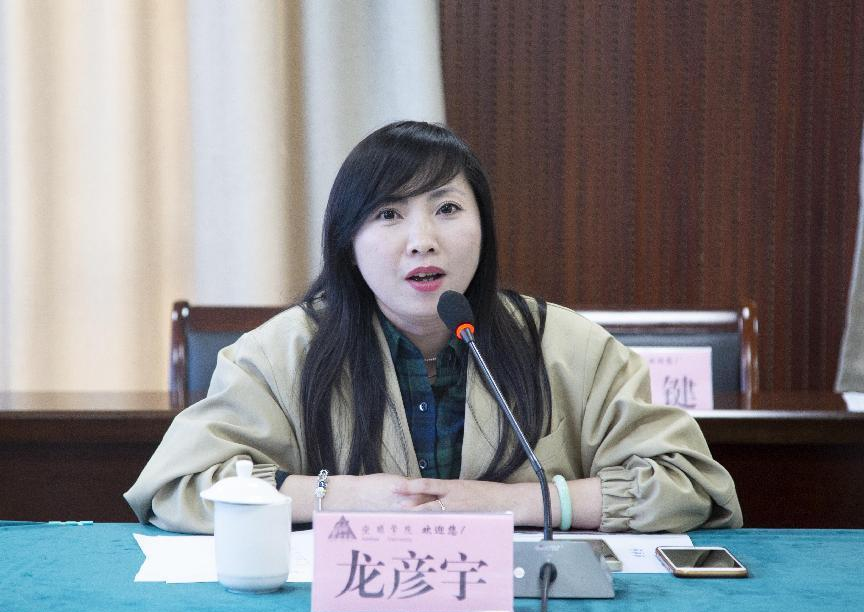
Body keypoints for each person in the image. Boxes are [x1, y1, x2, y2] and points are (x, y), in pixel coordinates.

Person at [125, 120, 743, 534]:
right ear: (348, 242)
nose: (422, 240)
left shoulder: (570, 347)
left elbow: (689, 485)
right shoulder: (280, 352)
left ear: (483, 227)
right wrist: (345, 497)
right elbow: (181, 485)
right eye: (388, 214)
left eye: (447, 208)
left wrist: (517, 504)